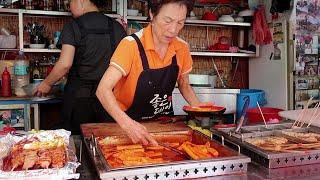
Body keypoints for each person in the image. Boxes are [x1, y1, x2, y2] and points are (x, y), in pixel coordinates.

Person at [96, 0, 212, 145]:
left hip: (163, 126)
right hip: (126, 126)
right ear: (152, 14)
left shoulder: (182, 48)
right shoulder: (131, 45)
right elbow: (102, 90)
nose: (173, 30)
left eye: (180, 22)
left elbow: (184, 84)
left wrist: (200, 112)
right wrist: (128, 125)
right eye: (168, 21)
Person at [34, 0, 126, 134]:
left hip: (78, 102)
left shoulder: (73, 26)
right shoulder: (117, 28)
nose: (69, 7)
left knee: (76, 145)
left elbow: (65, 64)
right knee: (106, 143)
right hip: (108, 101)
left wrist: (47, 83)